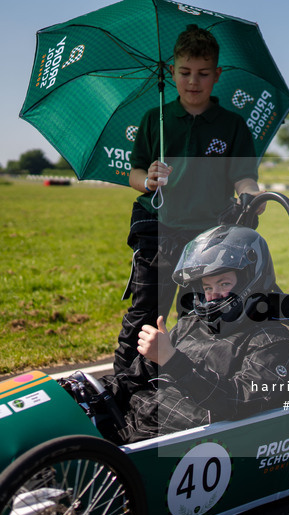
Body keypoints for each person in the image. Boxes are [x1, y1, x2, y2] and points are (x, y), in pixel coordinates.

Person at [115, 24, 263, 376]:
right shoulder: (156, 120)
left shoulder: (232, 125)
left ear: (216, 75)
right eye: (184, 73)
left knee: (198, 316)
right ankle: (126, 384)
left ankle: (187, 388)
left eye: (202, 73)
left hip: (209, 240)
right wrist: (147, 180)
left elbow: (244, 178)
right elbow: (134, 174)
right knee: (145, 314)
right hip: (159, 233)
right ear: (172, 73)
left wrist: (252, 197)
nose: (193, 81)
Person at [104, 225, 289, 442]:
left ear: (250, 279)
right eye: (207, 287)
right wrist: (94, 392)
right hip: (135, 422)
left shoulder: (272, 341)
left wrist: (172, 360)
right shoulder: (191, 324)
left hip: (179, 442)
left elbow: (239, 400)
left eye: (224, 283)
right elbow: (131, 379)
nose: (213, 295)